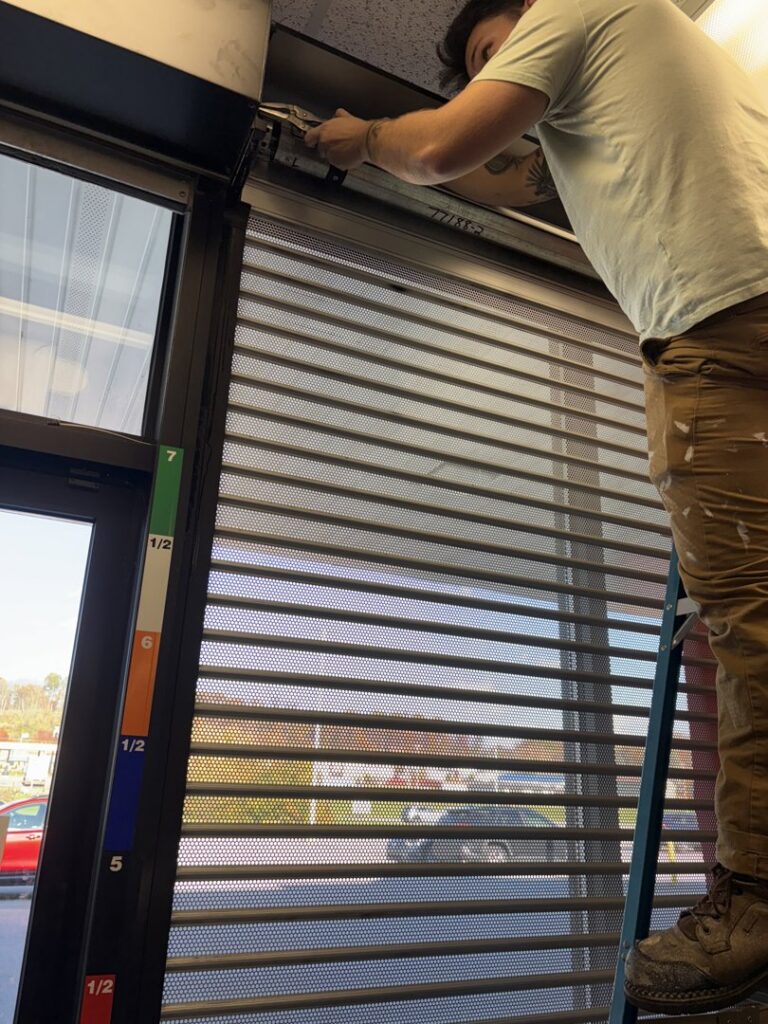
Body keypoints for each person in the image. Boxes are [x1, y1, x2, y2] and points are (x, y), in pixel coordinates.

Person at [305, 0, 768, 1013]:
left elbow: (437, 151)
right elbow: (516, 171)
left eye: (492, 53)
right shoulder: (671, 58)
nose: (493, 70)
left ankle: (758, 904)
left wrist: (363, 138)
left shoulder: (571, 10)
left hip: (714, 328)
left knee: (748, 627)